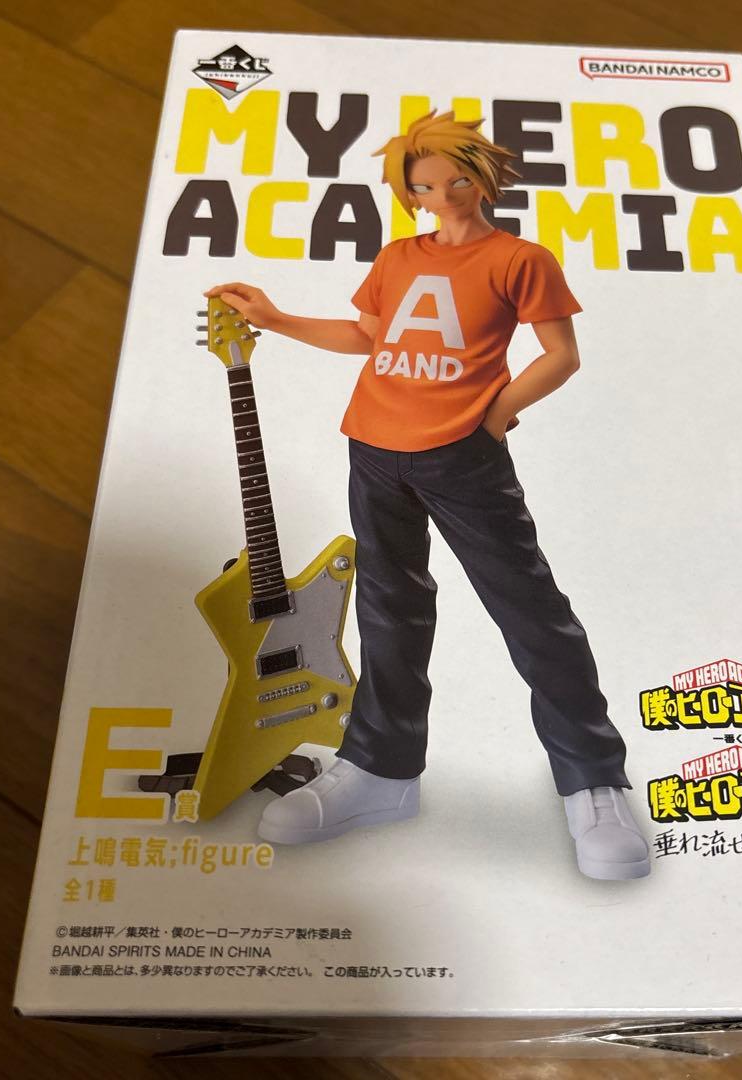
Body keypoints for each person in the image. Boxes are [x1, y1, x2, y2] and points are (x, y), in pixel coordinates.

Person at [204, 109, 650, 880]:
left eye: (455, 182)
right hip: (374, 447)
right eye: (422, 187)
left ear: (483, 177)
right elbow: (367, 336)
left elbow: (560, 354)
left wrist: (496, 415)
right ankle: (380, 770)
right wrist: (274, 319)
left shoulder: (520, 259)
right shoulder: (398, 256)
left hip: (462, 456)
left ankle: (593, 780)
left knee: (529, 609)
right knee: (387, 606)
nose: (440, 198)